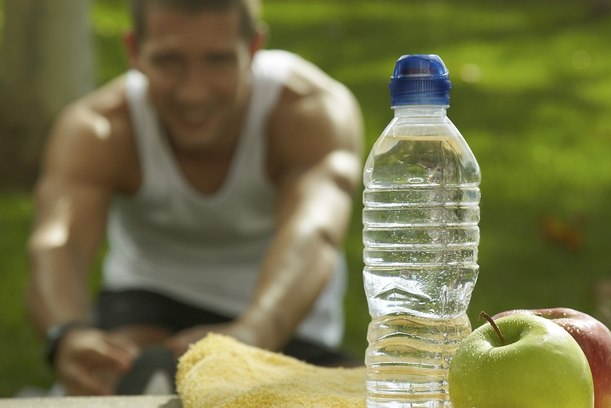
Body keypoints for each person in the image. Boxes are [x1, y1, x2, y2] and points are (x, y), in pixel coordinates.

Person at [26, 0, 363, 396]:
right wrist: (67, 334)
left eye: (218, 60)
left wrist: (254, 331)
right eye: (169, 61)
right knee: (139, 378)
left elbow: (314, 234)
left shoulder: (310, 111)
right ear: (133, 50)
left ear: (254, 47)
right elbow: (58, 243)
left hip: (283, 319)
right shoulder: (100, 128)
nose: (193, 92)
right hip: (148, 304)